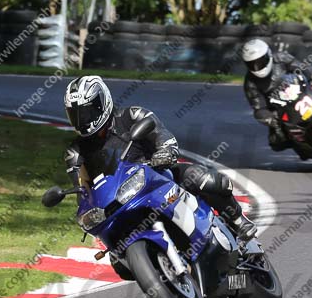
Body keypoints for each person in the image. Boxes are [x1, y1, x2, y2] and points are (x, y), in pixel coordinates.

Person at [63, 75, 257, 250]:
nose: (83, 120)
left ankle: (238, 220)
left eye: (87, 113)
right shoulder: (75, 152)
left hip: (160, 175)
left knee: (203, 179)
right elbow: (82, 188)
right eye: (76, 115)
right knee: (118, 260)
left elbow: (161, 135)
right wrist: (85, 206)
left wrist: (166, 151)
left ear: (101, 102)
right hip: (121, 200)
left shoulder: (132, 116)